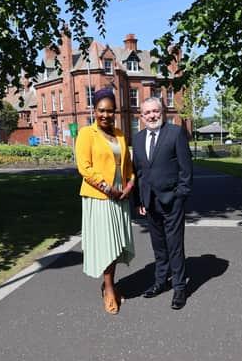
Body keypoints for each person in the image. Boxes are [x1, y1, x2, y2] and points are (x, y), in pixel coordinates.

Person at [75, 88, 135, 315]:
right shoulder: (86, 134)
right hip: (100, 198)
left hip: (121, 198)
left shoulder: (120, 135)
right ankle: (109, 289)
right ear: (94, 110)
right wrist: (108, 189)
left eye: (110, 111)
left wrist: (129, 186)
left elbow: (129, 168)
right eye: (101, 110)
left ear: (115, 113)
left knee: (118, 245)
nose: (105, 115)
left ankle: (109, 283)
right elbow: (85, 168)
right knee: (107, 245)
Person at [132, 97, 193, 309]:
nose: (152, 115)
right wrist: (138, 199)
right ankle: (160, 281)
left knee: (175, 245)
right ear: (141, 116)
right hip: (149, 202)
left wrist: (181, 195)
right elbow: (138, 172)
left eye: (155, 111)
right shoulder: (138, 139)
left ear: (162, 112)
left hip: (172, 200)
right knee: (158, 246)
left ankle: (179, 287)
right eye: (147, 112)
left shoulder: (175, 133)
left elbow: (186, 169)